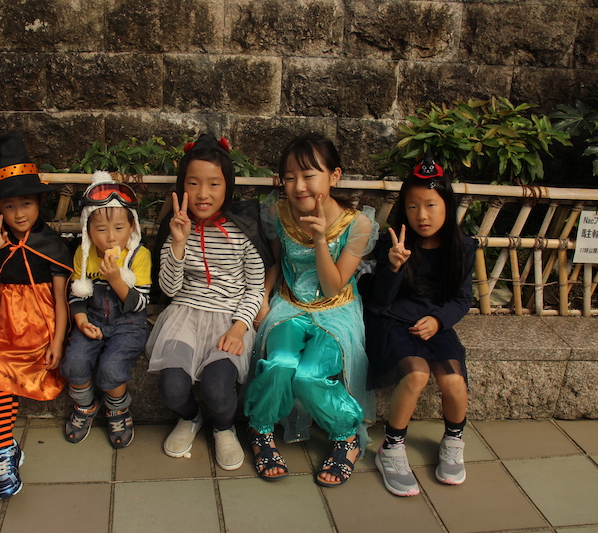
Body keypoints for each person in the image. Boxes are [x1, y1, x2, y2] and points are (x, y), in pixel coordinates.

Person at [243, 134, 377, 487]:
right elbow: (275, 262)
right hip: (289, 303)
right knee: (280, 364)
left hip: (336, 309)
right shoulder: (277, 212)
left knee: (309, 376)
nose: (298, 186)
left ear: (334, 176)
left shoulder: (357, 224)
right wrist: (263, 299)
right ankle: (260, 429)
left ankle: (346, 435)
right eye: (289, 177)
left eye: (308, 175)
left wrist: (320, 239)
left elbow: (333, 286)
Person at [0, 132, 73, 509]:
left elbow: (61, 300)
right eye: (10, 206)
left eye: (26, 203)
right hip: (0, 320)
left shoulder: (52, 245)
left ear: (38, 203)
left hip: (40, 324)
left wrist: (57, 342)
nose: (20, 213)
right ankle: (5, 451)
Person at [147, 134, 269, 471]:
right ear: (181, 185)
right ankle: (190, 417)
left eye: (214, 184)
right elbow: (169, 289)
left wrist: (239, 328)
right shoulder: (177, 227)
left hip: (229, 318)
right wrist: (178, 243)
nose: (203, 193)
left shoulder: (243, 231)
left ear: (227, 186)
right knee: (172, 388)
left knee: (218, 388)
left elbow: (255, 287)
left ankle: (224, 427)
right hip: (185, 314)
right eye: (194, 183)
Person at [361, 151, 475, 496]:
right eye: (412, 207)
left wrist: (439, 322)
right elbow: (380, 299)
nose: (421, 215)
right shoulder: (393, 241)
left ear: (447, 206)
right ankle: (392, 447)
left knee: (454, 380)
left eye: (430, 205)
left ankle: (453, 440)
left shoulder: (462, 247)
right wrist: (394, 266)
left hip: (435, 324)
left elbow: (461, 300)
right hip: (393, 320)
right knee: (417, 374)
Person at [60, 172, 151, 449]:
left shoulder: (139, 256)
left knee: (111, 369)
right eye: (101, 230)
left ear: (132, 227)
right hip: (94, 318)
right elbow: (77, 296)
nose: (111, 238)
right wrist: (81, 321)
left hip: (128, 323)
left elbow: (140, 304)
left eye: (119, 228)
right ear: (88, 230)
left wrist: (115, 279)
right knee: (74, 363)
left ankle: (117, 409)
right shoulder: (83, 254)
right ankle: (85, 405)